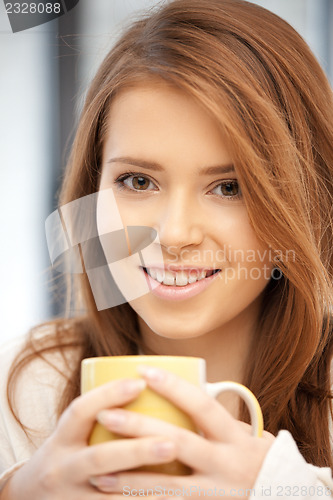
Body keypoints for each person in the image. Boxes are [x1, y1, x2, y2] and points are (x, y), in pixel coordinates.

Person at [1, 0, 333, 497]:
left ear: (309, 199)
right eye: (137, 181)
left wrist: (282, 488)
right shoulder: (25, 387)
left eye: (230, 187)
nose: (175, 235)